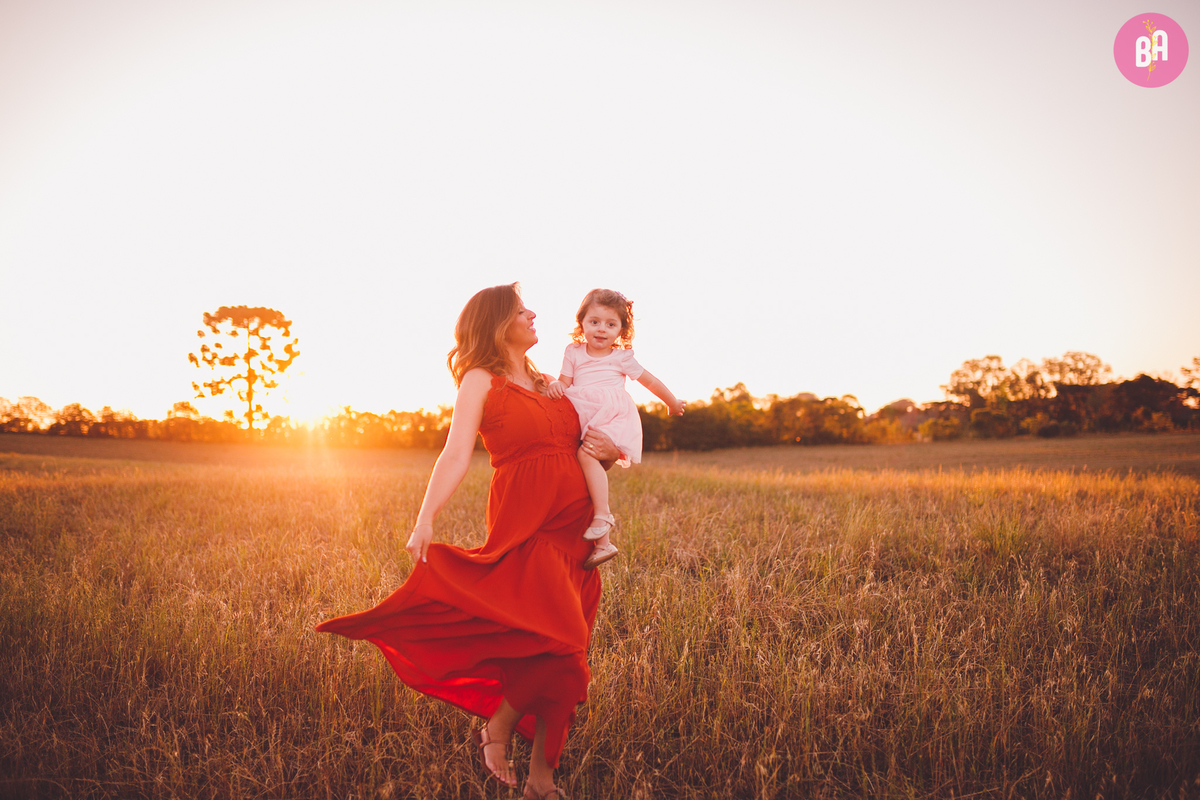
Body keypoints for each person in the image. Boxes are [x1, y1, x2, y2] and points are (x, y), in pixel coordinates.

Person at [315, 283, 621, 800]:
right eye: (522, 310)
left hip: (574, 530)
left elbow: (584, 452)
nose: (533, 314)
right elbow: (456, 454)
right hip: (527, 526)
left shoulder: (552, 382)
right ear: (498, 322)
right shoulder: (481, 379)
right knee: (563, 643)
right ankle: (499, 728)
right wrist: (425, 518)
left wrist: (610, 451)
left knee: (555, 653)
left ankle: (540, 780)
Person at [547, 289, 685, 569]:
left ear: (621, 330)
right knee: (578, 465)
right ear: (581, 323)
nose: (601, 329)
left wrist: (671, 402)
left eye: (611, 324)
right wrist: (556, 386)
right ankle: (603, 544)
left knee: (588, 456)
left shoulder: (621, 358)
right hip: (582, 409)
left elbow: (651, 382)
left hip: (611, 416)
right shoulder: (573, 351)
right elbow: (565, 381)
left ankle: (603, 517)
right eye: (594, 321)